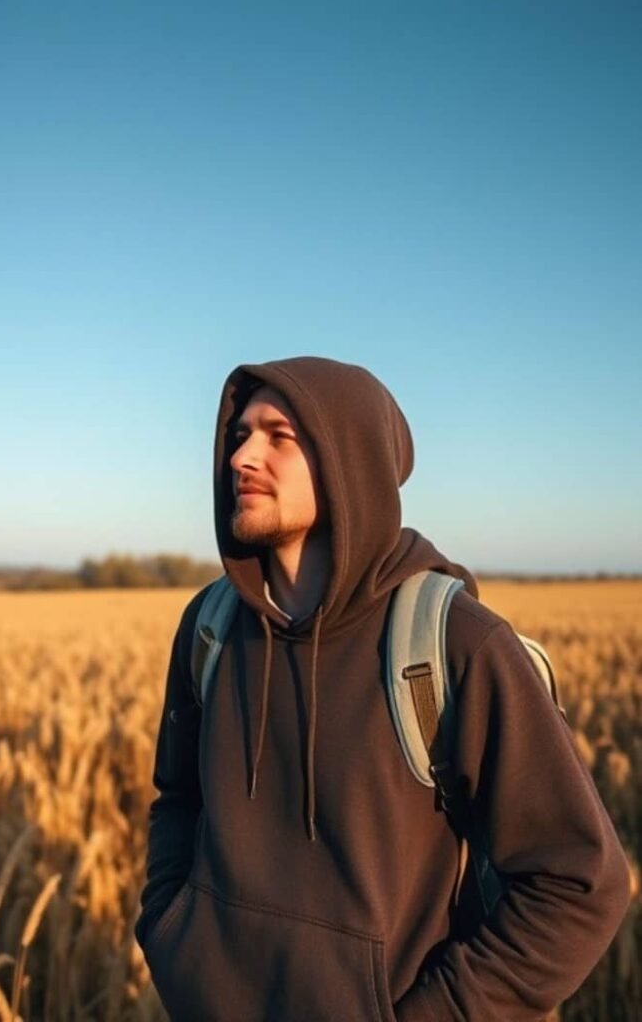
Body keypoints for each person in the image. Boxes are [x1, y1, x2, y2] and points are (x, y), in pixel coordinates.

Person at [135, 356, 631, 1022]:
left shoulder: (454, 642)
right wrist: (173, 939)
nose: (242, 457)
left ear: (350, 464)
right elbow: (178, 801)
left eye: (280, 436)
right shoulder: (210, 627)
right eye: (239, 435)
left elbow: (578, 883)